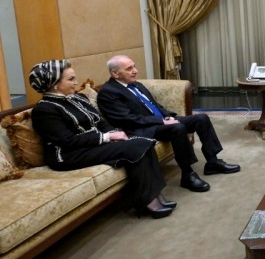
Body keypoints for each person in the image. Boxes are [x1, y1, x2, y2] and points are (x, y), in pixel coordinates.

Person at [29, 60, 174, 219]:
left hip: (91, 145)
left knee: (142, 142)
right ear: (54, 84)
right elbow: (67, 141)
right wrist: (107, 137)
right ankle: (148, 201)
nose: (76, 82)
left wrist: (116, 133)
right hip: (68, 155)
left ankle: (153, 196)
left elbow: (100, 122)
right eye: (71, 79)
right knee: (137, 145)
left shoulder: (78, 98)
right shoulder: (44, 109)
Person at [97, 55, 240, 193]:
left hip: (158, 122)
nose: (135, 71)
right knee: (177, 128)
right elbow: (127, 119)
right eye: (129, 69)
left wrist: (167, 116)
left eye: (134, 67)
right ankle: (188, 174)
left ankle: (212, 161)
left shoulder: (136, 84)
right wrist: (162, 121)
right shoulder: (107, 92)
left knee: (201, 118)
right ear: (115, 73)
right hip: (141, 129)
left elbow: (154, 105)